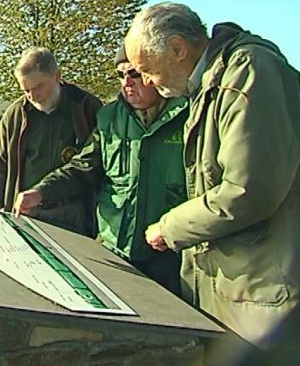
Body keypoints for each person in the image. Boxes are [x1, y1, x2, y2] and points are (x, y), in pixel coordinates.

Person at [124, 2, 300, 363]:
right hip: (247, 296)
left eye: (147, 70)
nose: (146, 82)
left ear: (177, 49)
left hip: (274, 303)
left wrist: (170, 227)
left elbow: (247, 191)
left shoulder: (251, 72)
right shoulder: (213, 85)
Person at [13, 46, 188, 295]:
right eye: (120, 75)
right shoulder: (109, 118)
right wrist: (41, 192)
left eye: (135, 74)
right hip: (115, 246)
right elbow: (84, 167)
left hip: (168, 251)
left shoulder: (188, 116)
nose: (127, 83)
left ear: (154, 73)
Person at [0, 47, 103, 236]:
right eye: (26, 90)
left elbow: (92, 166)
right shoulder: (15, 115)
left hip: (73, 217)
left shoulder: (87, 109)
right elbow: (1, 166)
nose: (33, 96)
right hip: (25, 213)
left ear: (57, 76)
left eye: (38, 87)